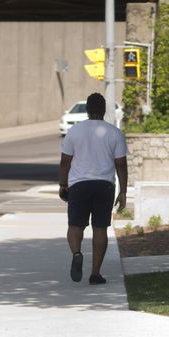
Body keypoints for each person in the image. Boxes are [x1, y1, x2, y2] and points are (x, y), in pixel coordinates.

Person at [58, 92, 128, 284]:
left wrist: (63, 184)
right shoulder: (114, 133)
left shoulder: (75, 131)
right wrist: (123, 191)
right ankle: (95, 273)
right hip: (104, 186)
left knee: (75, 225)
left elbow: (65, 161)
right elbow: (121, 164)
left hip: (79, 185)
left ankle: (77, 253)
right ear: (104, 110)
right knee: (100, 229)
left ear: (87, 110)